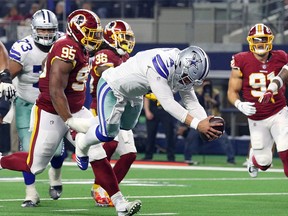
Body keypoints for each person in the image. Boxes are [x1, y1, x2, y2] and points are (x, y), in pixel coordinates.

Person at [0, 9, 141, 216]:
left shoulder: (81, 46)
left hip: (76, 108)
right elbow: (56, 90)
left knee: (98, 152)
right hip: (50, 110)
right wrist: (69, 121)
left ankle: (120, 203)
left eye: (97, 33)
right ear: (77, 30)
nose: (95, 38)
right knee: (35, 165)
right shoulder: (66, 48)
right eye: (91, 33)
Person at [74, 45, 223, 173]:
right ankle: (82, 143)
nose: (186, 83)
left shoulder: (182, 66)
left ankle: (87, 124)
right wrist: (198, 124)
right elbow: (168, 103)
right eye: (186, 78)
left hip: (135, 94)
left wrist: (205, 122)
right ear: (181, 65)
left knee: (126, 126)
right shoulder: (160, 65)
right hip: (112, 86)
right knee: (108, 133)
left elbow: (191, 101)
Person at [8, 9, 66, 207]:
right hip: (26, 102)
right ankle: (31, 192)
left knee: (57, 152)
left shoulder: (64, 44)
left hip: (52, 104)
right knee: (28, 149)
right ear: (33, 30)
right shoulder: (23, 48)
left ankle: (55, 176)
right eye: (41, 30)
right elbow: (9, 75)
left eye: (50, 30)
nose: (46, 34)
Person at [227, 23, 288, 178]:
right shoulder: (241, 60)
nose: (260, 44)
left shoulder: (281, 57)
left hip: (278, 111)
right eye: (256, 40)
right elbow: (232, 92)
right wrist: (239, 104)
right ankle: (253, 159)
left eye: (264, 40)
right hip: (256, 117)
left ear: (270, 40)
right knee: (264, 163)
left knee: (285, 150)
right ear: (250, 41)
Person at [89, 20, 137, 207]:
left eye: (128, 38)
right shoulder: (105, 53)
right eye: (124, 37)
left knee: (129, 154)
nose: (127, 41)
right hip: (103, 106)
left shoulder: (124, 56)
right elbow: (107, 74)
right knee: (109, 144)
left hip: (122, 107)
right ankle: (98, 187)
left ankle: (108, 189)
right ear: (112, 37)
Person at [178, 79, 235, 165]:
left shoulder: (215, 92)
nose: (206, 87)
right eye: (205, 85)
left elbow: (218, 104)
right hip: (200, 121)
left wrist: (210, 100)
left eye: (208, 85)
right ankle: (187, 158)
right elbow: (192, 104)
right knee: (191, 138)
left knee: (224, 139)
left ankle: (231, 159)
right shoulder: (198, 92)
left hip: (213, 120)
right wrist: (201, 96)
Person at [142, 95, 176, 162]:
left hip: (166, 110)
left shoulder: (168, 84)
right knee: (150, 134)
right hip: (152, 109)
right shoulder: (150, 84)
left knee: (170, 134)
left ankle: (171, 157)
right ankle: (148, 156)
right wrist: (147, 111)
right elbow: (146, 97)